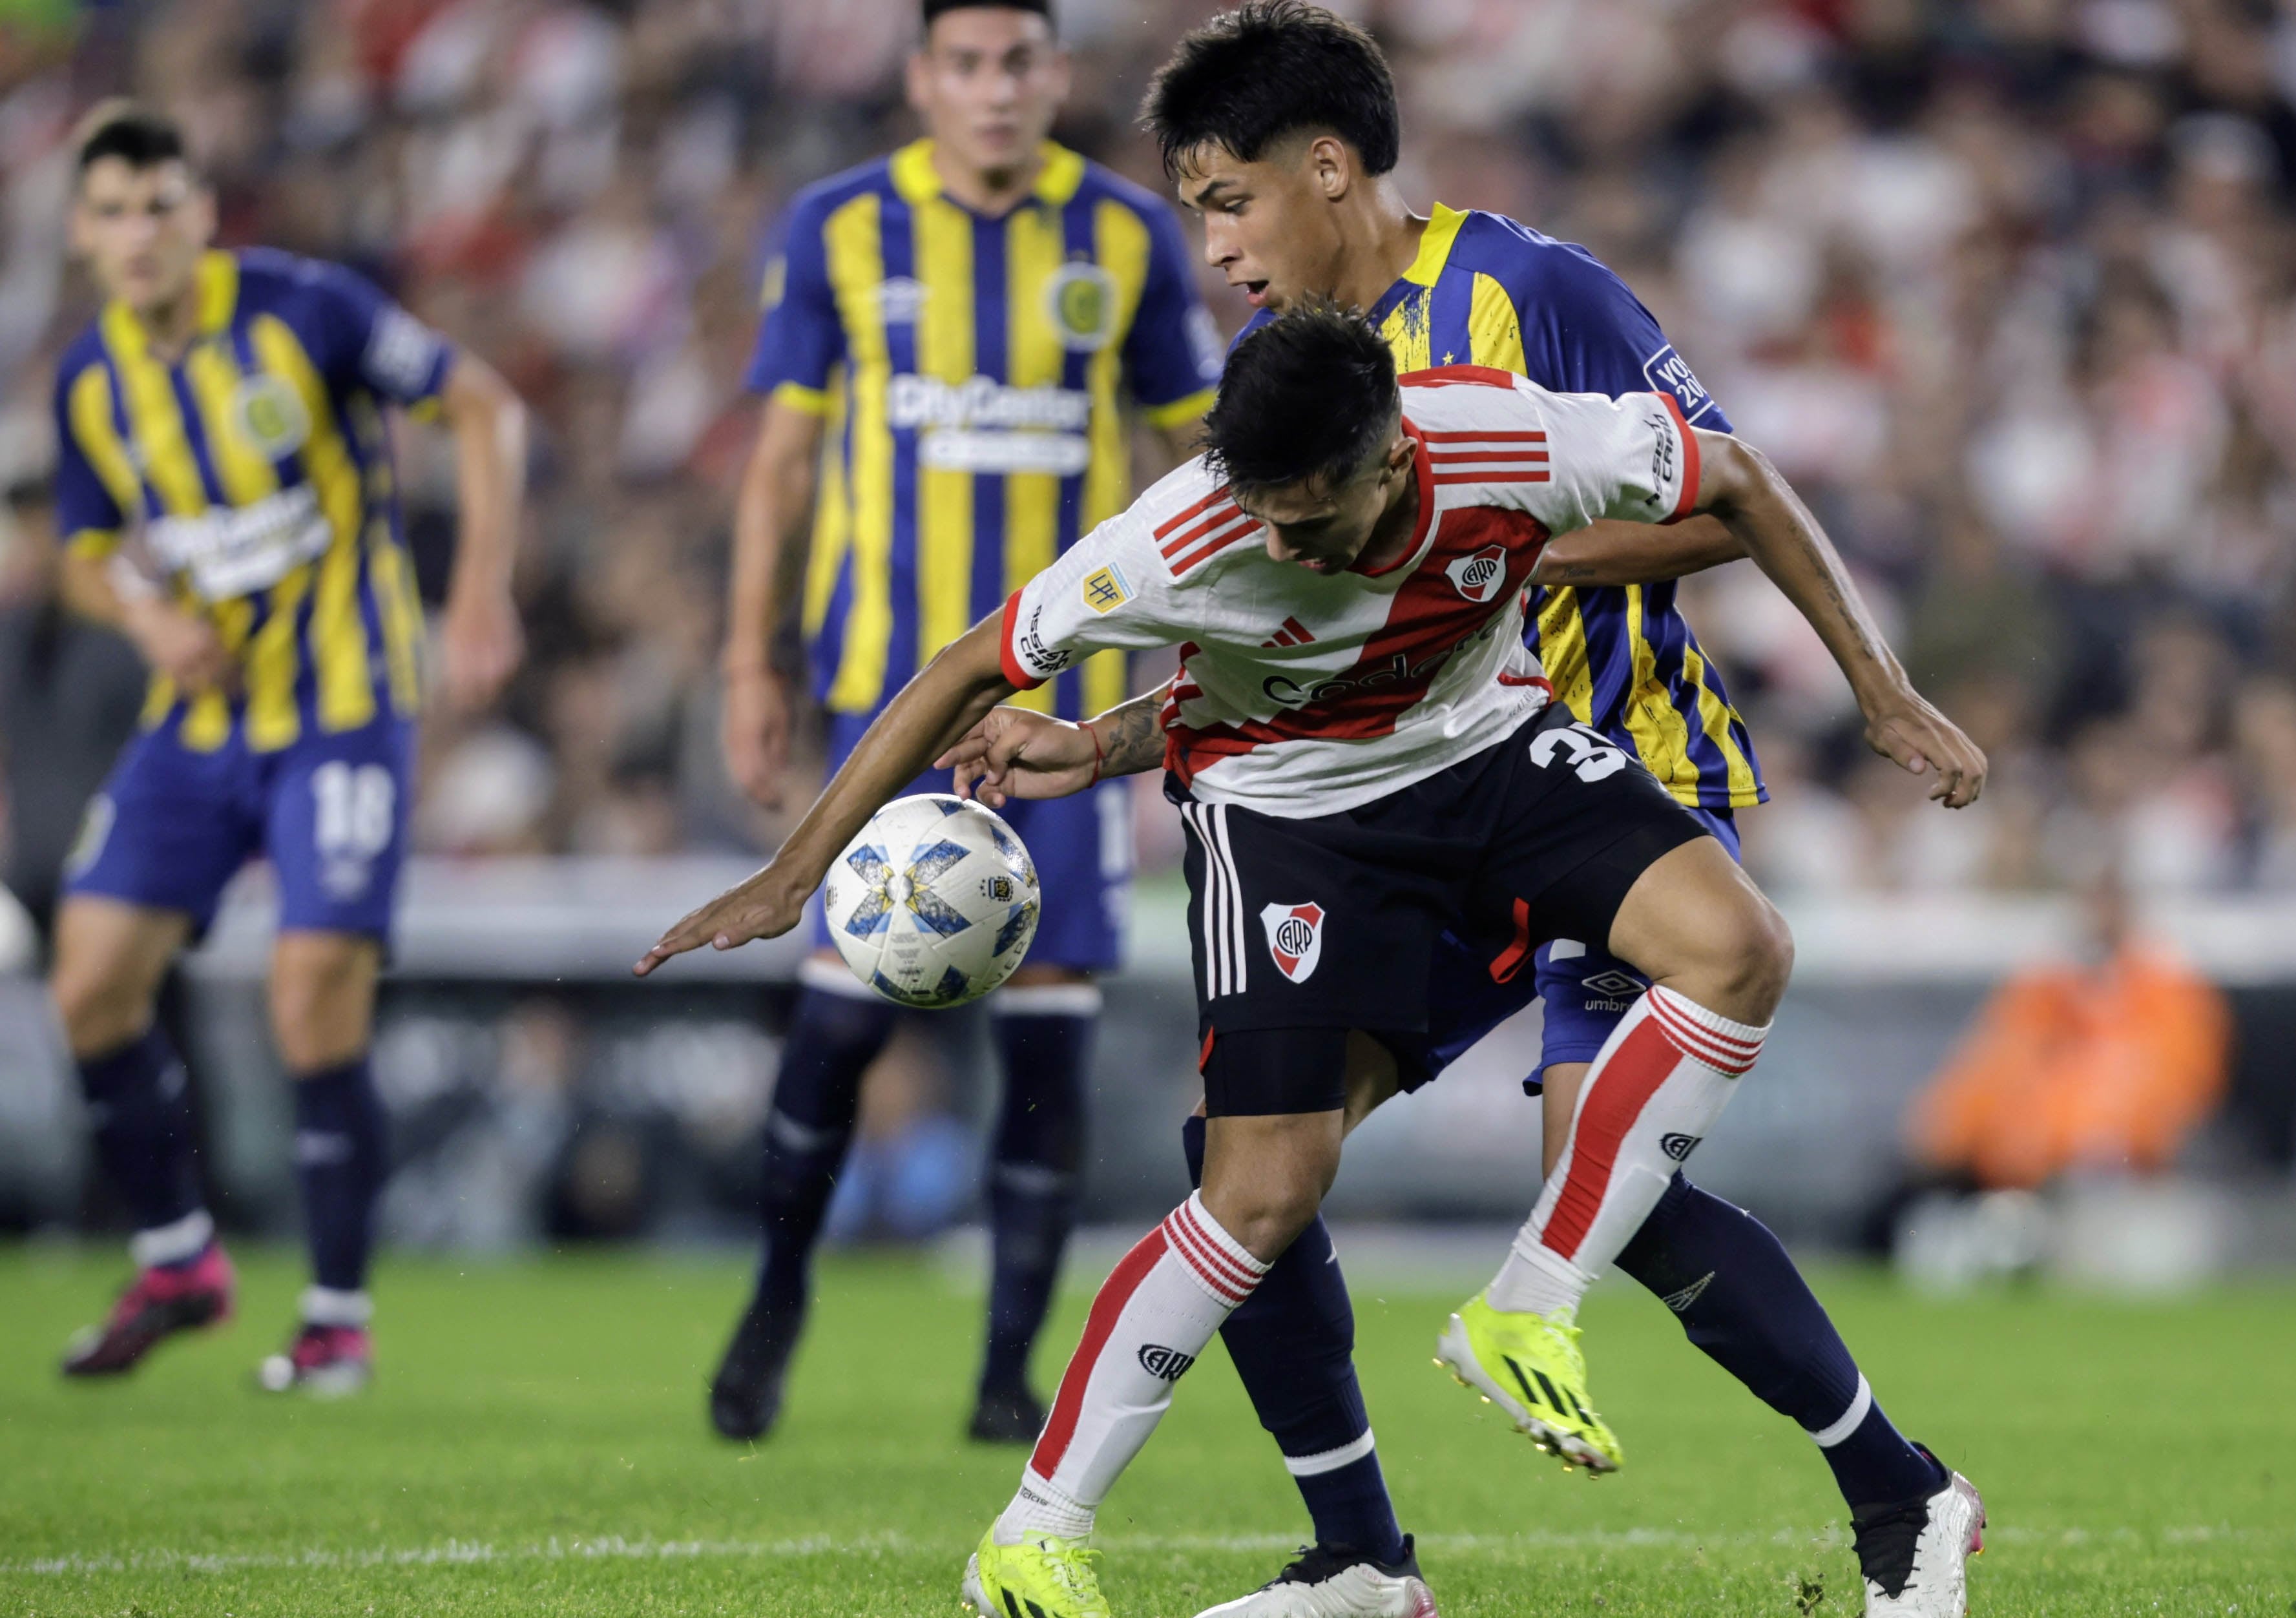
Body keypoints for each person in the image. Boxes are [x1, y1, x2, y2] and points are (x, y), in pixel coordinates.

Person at [635, 304, 1983, 1618]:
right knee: (1257, 1187)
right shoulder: (1178, 534)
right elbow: (963, 667)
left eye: (1306, 509)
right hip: (1292, 827)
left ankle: (1530, 1304)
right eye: (1262, 506)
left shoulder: (1506, 436)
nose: (1279, 533)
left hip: (1488, 751)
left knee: (1738, 943)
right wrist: (795, 871)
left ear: (1392, 452)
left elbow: (1736, 475)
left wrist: (1881, 688)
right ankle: (1040, 1537)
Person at [1059, 7, 1992, 1611]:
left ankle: (1904, 1497)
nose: (1213, 248)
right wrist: (1115, 731)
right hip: (1399, 804)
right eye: (1196, 214)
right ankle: (1360, 1562)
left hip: (1598, 768)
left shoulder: (1529, 288)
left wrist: (1492, 541)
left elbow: (1721, 495)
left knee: (1596, 1173)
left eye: (1225, 204)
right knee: (1242, 1158)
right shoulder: (1284, 385)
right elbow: (1293, 641)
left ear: (1327, 170)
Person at [705, 0, 1221, 1445]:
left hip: (1055, 708)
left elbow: (1190, 455)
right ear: (922, 77)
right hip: (886, 695)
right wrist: (751, 663)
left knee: (1046, 1048)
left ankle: (1004, 1368)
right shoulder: (837, 228)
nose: (996, 91)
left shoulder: (1123, 237)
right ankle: (776, 1296)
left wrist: (1197, 658)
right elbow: (784, 463)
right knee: (833, 1036)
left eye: (1020, 64)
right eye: (967, 65)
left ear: (1056, 76)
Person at [47, 104, 526, 1393]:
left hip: (343, 708)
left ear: (204, 211)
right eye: (112, 212)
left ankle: (333, 1314)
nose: (139, 233)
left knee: (310, 987)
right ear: (81, 233)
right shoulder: (92, 380)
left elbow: (482, 407)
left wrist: (479, 590)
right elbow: (83, 552)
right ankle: (177, 1257)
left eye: (161, 204)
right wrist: (145, 610)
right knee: (88, 978)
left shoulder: (303, 309)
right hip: (198, 726)